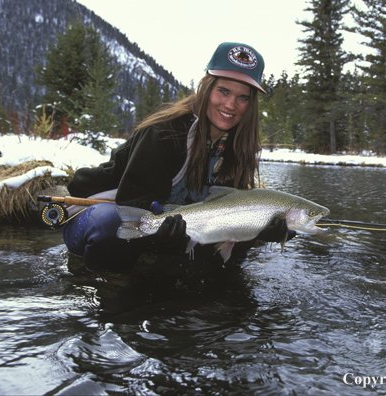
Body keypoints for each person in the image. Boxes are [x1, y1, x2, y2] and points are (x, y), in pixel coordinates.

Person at [62, 42, 291, 271]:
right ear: (206, 88)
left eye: (243, 97)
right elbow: (132, 207)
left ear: (250, 104)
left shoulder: (240, 149)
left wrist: (259, 230)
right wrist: (161, 233)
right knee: (110, 224)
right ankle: (104, 284)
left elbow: (226, 224)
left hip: (164, 228)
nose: (231, 105)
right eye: (224, 91)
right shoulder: (164, 133)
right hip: (97, 214)